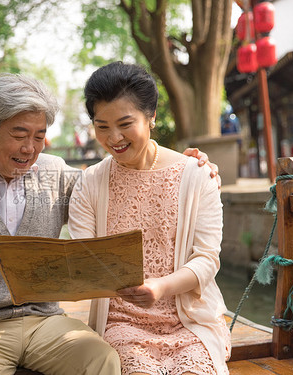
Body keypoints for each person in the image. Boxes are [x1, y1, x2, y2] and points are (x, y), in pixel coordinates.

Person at [0, 72, 219, 375]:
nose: (30, 148)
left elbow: (112, 189)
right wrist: (3, 256)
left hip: (45, 322)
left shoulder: (55, 171)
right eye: (19, 135)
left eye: (39, 136)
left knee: (102, 361)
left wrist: (186, 166)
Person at [68, 62, 231, 375]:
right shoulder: (89, 184)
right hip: (120, 322)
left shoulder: (197, 176)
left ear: (152, 116)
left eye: (125, 124)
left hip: (191, 320)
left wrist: (160, 287)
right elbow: (82, 258)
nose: (114, 137)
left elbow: (207, 261)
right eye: (102, 127)